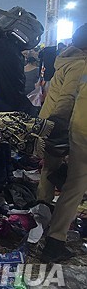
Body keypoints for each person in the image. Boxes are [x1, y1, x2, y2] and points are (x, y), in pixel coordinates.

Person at [39, 24, 87, 262]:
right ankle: (53, 237)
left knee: (50, 171)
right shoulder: (80, 65)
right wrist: (58, 131)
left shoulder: (66, 60)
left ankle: (41, 220)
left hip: (55, 123)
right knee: (73, 185)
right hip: (69, 127)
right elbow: (68, 99)